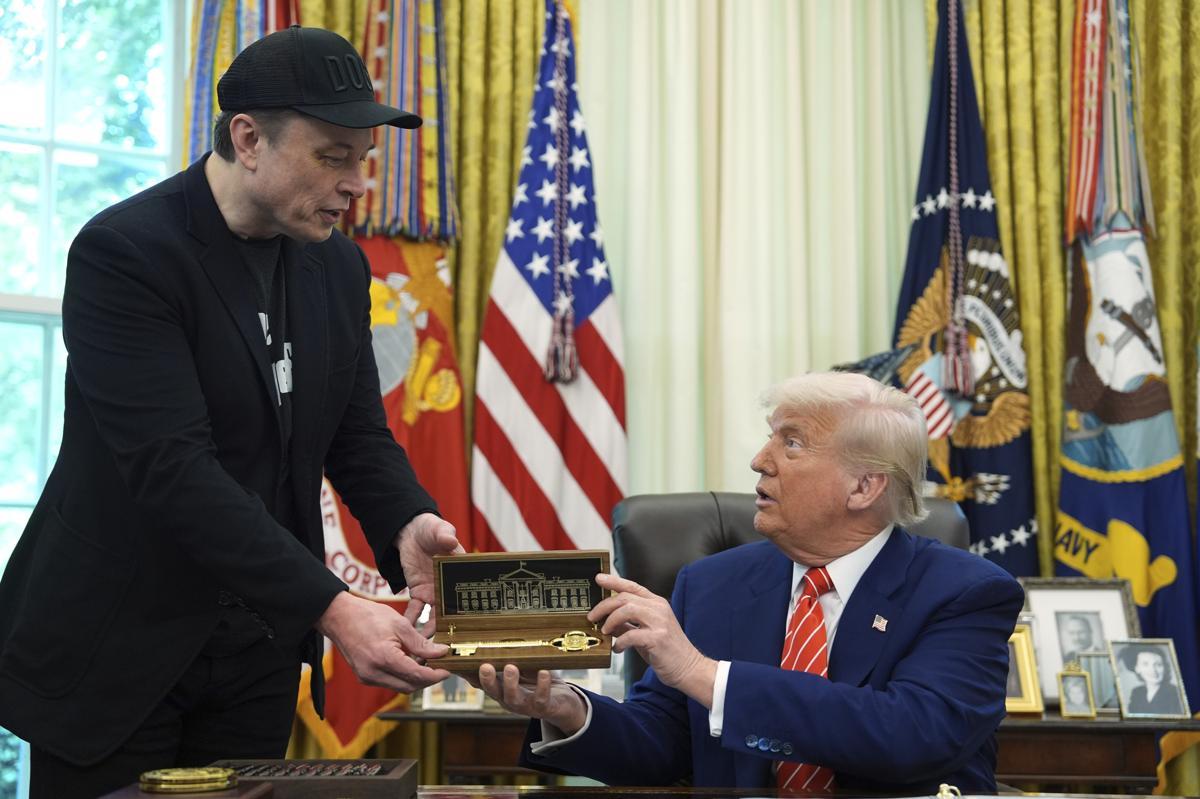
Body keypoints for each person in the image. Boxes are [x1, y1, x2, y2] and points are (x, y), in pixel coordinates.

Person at [0, 26, 462, 799]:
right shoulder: (126, 253)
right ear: (248, 139)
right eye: (333, 156)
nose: (356, 184)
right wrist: (333, 606)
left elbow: (354, 434)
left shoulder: (338, 266)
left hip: (256, 652)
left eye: (363, 159)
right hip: (118, 652)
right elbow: (174, 470)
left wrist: (406, 520)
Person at [476, 372, 1024, 794]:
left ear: (864, 487)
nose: (760, 460)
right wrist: (567, 709)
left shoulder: (966, 593)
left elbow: (910, 735)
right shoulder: (712, 584)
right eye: (770, 438)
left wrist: (702, 673)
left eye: (792, 443)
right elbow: (665, 745)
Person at [1123, 646, 1184, 715]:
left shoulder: (1175, 692)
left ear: (1165, 667)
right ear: (1137, 668)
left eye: (1158, 665)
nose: (1153, 670)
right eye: (1145, 664)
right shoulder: (1137, 692)